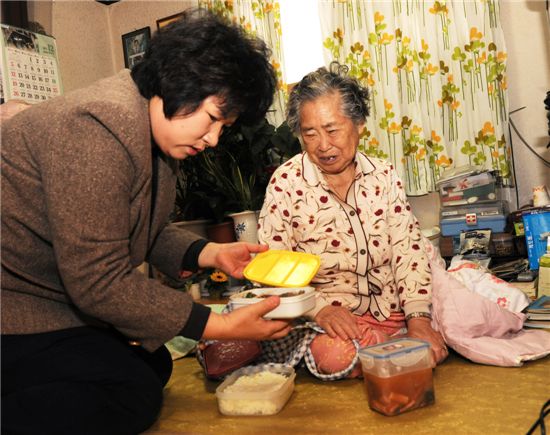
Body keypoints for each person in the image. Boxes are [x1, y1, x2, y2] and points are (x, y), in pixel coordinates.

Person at [1, 9, 291, 435]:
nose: (213, 139)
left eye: (222, 127)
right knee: (132, 394)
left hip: (54, 302)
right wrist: (219, 325)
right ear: (180, 80)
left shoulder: (149, 127)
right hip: (16, 310)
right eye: (212, 119)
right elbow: (98, 279)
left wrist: (212, 253)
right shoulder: (97, 130)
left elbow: (136, 227)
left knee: (152, 362)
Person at [255, 62, 447, 379]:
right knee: (336, 354)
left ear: (358, 124)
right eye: (310, 133)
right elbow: (274, 264)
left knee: (445, 325)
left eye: (332, 130)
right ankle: (387, 351)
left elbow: (408, 252)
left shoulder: (384, 177)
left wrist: (418, 320)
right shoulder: (286, 183)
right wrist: (320, 308)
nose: (323, 145)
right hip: (325, 318)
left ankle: (391, 344)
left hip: (390, 311)